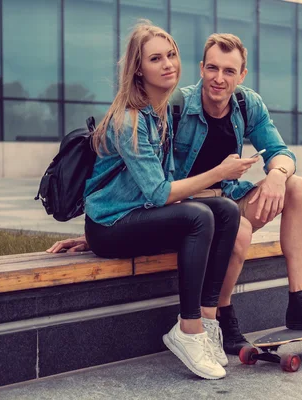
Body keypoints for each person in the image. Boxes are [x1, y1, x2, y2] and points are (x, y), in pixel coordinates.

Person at [48, 33, 302, 356]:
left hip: (227, 197)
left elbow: (280, 151)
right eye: (212, 68)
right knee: (239, 227)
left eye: (229, 71)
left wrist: (277, 174)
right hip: (191, 206)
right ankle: (222, 315)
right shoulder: (175, 106)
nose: (219, 79)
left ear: (242, 75)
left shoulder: (246, 104)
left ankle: (301, 300)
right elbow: (137, 178)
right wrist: (104, 229)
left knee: (297, 187)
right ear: (201, 68)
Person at [76, 22, 259, 380]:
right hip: (110, 226)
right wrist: (220, 172)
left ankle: (207, 321)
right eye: (156, 58)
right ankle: (187, 330)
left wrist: (222, 187)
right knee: (198, 218)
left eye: (171, 55)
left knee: (222, 210)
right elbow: (160, 192)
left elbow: (171, 183)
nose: (168, 64)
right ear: (138, 69)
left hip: (137, 217)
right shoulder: (128, 120)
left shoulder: (160, 115)